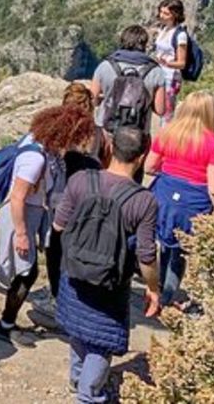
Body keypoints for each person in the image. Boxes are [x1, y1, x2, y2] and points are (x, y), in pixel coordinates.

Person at [53, 126, 162, 404]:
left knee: (78, 329)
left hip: (74, 273)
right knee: (101, 341)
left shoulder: (80, 181)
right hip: (110, 283)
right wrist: (153, 288)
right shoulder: (143, 201)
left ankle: (77, 380)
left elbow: (58, 225)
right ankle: (89, 395)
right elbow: (147, 256)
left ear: (111, 148)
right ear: (141, 157)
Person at [0, 104, 95, 341]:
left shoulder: (36, 141)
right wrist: (22, 234)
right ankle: (4, 326)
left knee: (21, 268)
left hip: (30, 214)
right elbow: (18, 197)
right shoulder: (35, 158)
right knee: (26, 273)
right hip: (20, 217)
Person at [144, 91, 214, 309]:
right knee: (181, 250)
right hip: (194, 201)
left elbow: (149, 167)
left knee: (165, 243)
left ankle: (157, 290)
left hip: (165, 194)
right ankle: (168, 296)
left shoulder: (167, 133)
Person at [45, 84, 104, 300]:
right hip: (90, 194)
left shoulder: (58, 132)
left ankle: (56, 293)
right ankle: (78, 293)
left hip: (61, 195)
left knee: (55, 245)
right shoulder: (97, 132)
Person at [90, 25, 169, 143]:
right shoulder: (156, 71)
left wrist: (105, 98)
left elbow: (92, 100)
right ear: (144, 44)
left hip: (106, 130)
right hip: (137, 133)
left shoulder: (105, 66)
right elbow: (160, 110)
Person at [152, 0, 189, 123]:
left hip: (171, 78)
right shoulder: (163, 29)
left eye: (166, 14)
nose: (162, 16)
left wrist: (167, 63)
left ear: (175, 15)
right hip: (159, 74)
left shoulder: (180, 35)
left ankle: (166, 140)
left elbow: (182, 63)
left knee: (167, 115)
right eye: (161, 12)